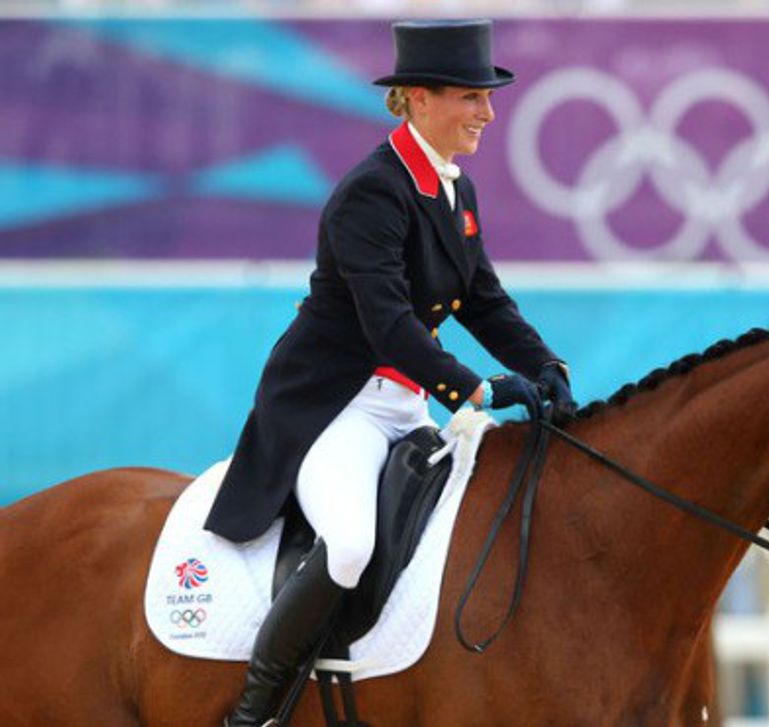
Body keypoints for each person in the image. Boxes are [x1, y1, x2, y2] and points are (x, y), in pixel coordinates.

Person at [205, 19, 576, 726]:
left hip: (405, 405)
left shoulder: (455, 190)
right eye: (471, 97)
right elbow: (389, 323)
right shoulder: (371, 193)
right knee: (350, 543)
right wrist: (477, 389)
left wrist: (545, 365)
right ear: (419, 98)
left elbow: (484, 301)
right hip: (334, 405)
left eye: (487, 97)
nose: (487, 112)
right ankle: (254, 711)